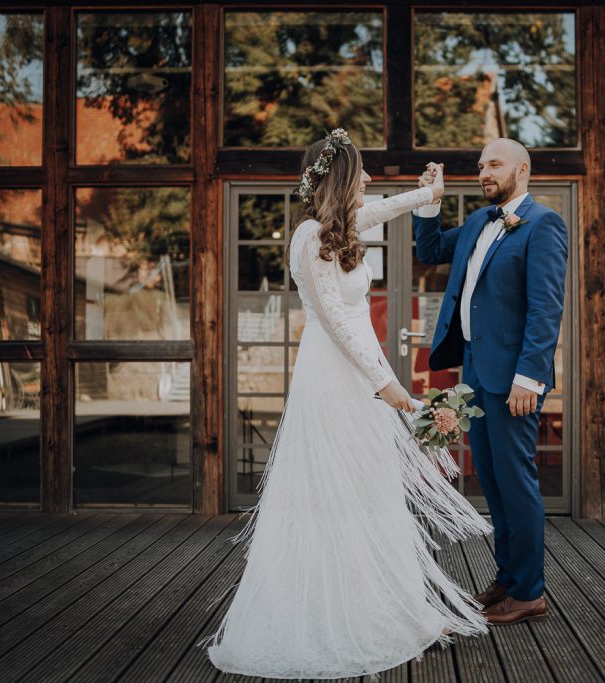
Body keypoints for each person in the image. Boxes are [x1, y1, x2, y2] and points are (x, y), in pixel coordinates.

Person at [199, 129, 491, 679]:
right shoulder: (309, 238)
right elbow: (336, 323)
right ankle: (336, 614)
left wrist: (429, 195)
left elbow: (387, 206)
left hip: (359, 376)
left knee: (371, 488)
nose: (369, 179)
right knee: (336, 491)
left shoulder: (343, 226)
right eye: (360, 172)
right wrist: (388, 385)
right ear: (338, 179)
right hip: (336, 378)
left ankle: (396, 608)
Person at [414, 139, 568, 626]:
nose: (484, 172)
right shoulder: (480, 222)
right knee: (495, 483)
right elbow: (429, 249)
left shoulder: (544, 225)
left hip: (515, 378)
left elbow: (546, 309)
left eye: (494, 164)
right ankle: (507, 579)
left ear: (522, 170)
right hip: (476, 369)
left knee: (516, 483)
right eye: (481, 165)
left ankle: (529, 593)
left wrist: (530, 377)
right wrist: (430, 200)